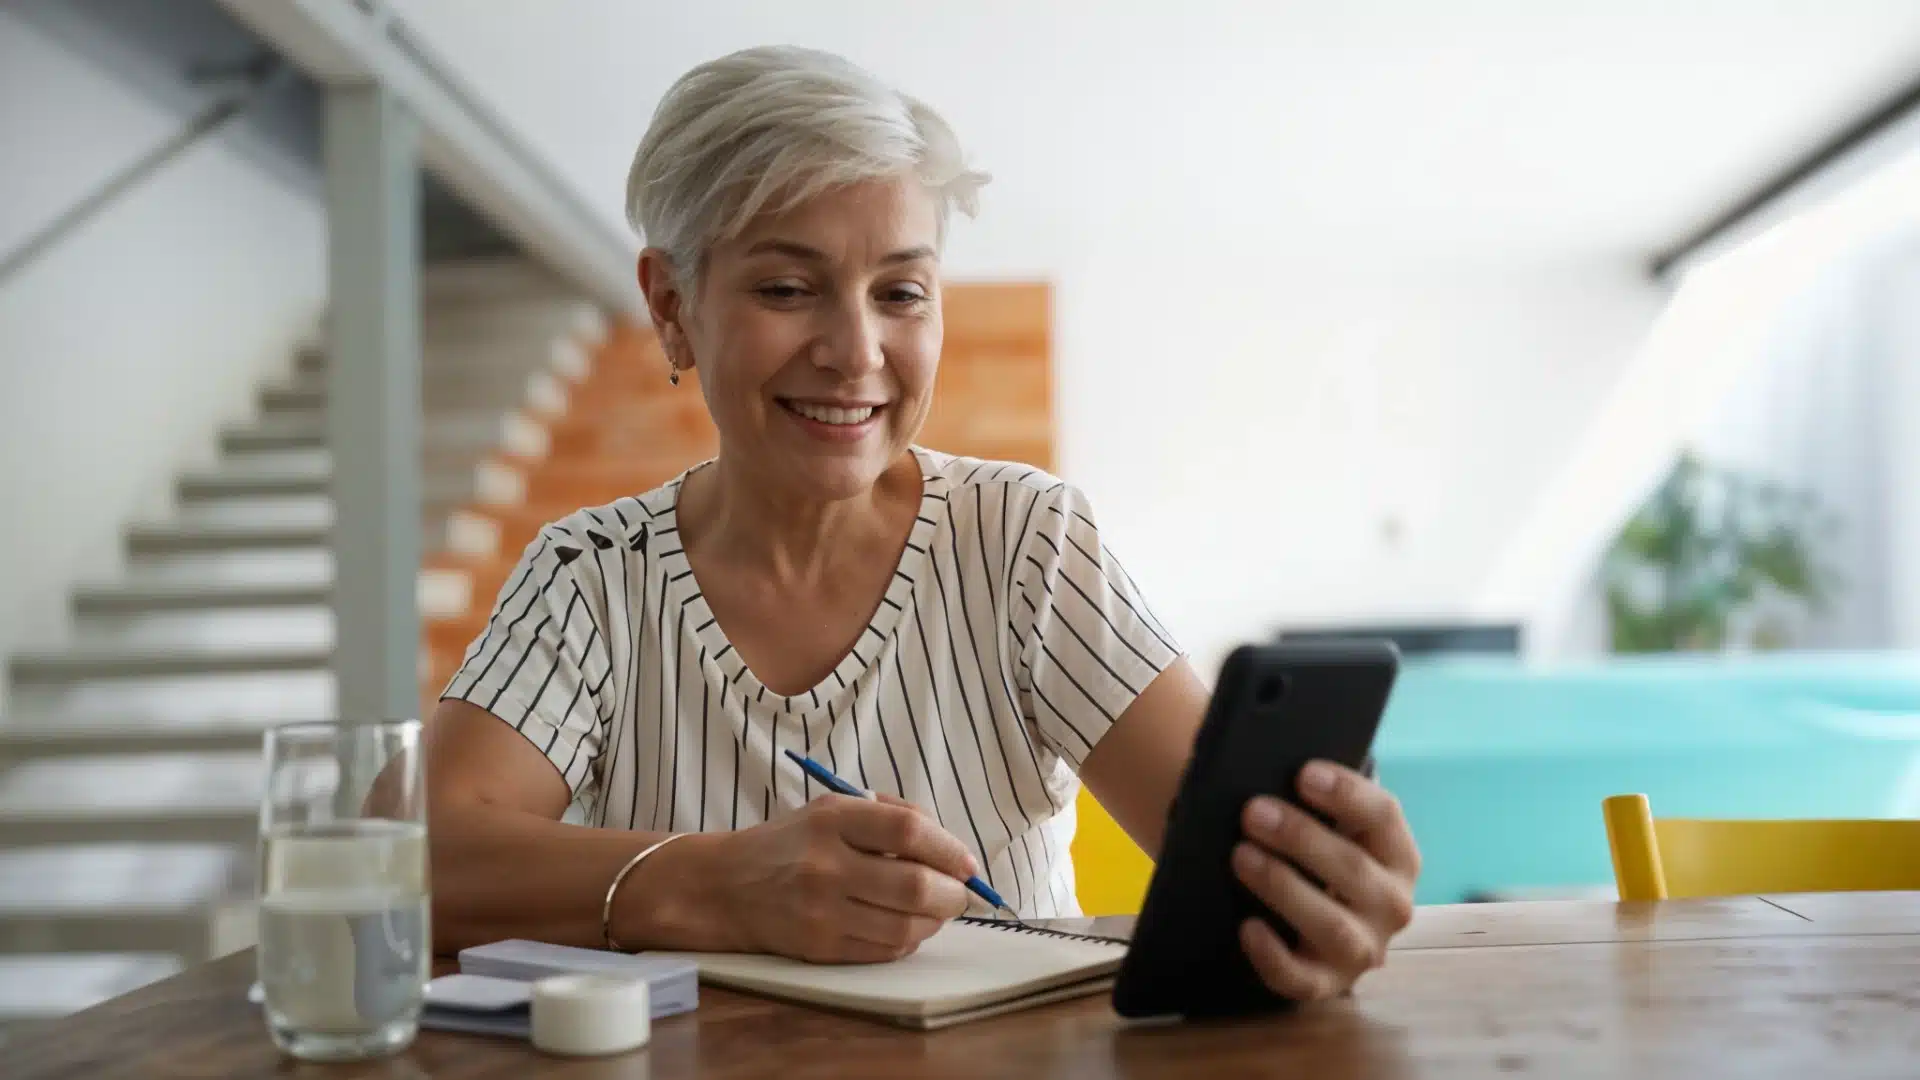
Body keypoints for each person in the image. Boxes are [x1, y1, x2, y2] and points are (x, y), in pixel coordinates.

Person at [425, 44, 1420, 1003]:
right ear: (672, 304)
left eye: (900, 291)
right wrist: (724, 884)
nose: (857, 352)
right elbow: (421, 857)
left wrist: (1323, 899)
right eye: (786, 288)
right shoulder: (592, 576)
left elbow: (1235, 864)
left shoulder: (1024, 541)